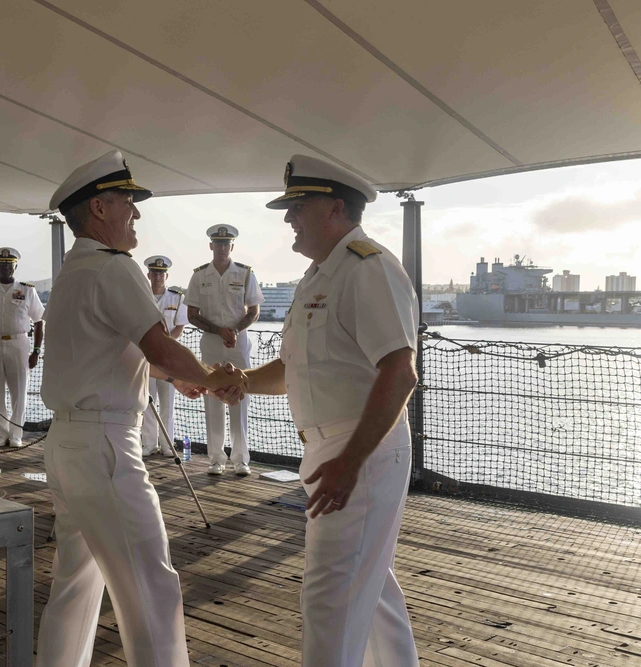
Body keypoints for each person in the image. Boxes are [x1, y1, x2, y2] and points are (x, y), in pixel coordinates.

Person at [36, 150, 247, 667]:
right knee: (151, 584)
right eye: (128, 204)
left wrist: (180, 376)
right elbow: (159, 345)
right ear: (101, 208)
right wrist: (213, 377)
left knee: (76, 585)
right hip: (106, 447)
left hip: (66, 443)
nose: (136, 215)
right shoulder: (115, 269)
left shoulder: (71, 272)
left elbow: (108, 354)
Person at [237, 155, 420, 667]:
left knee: (331, 596)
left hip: (360, 448)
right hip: (330, 448)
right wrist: (241, 383)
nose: (289, 218)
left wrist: (350, 462)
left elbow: (399, 372)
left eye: (299, 206)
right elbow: (298, 366)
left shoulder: (369, 268)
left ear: (335, 208)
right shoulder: (319, 275)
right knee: (370, 587)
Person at [186, 224, 264, 477]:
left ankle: (241, 459)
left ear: (232, 246)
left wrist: (235, 331)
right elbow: (192, 315)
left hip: (238, 345)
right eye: (217, 244)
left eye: (225, 244)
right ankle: (216, 459)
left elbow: (253, 310)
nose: (221, 248)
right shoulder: (199, 276)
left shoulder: (245, 274)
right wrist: (219, 330)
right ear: (211, 246)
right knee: (212, 398)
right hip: (211, 344)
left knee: (240, 398)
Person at [0, 247, 45, 448]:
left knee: (19, 391)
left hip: (19, 343)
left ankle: (16, 435)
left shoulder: (27, 290)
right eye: (2, 265)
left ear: (15, 266)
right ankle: (0, 434)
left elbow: (39, 321)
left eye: (9, 264)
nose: (6, 268)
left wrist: (36, 352)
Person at [140, 255, 188, 456]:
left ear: (166, 275)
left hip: (169, 356)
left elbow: (179, 326)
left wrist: (167, 344)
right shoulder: (140, 295)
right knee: (148, 401)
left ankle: (168, 445)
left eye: (161, 273)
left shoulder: (177, 297)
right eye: (154, 273)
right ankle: (149, 444)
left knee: (168, 403)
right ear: (148, 275)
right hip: (147, 356)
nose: (158, 277)